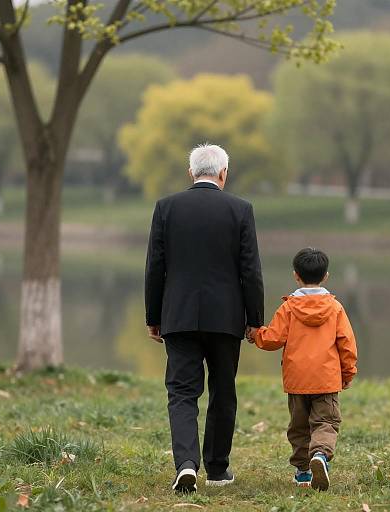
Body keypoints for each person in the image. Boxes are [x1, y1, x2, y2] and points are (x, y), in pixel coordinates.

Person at [145, 143, 264, 493]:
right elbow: (250, 270)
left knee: (182, 393)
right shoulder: (240, 209)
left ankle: (185, 464)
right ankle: (216, 469)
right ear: (223, 173)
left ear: (192, 173)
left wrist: (154, 315)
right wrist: (254, 318)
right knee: (223, 392)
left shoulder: (166, 207)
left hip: (178, 315)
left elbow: (155, 267)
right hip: (226, 318)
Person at [247, 248, 357, 491]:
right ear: (326, 276)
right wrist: (347, 373)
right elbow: (347, 344)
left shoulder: (288, 308)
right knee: (326, 422)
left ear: (296, 276)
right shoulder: (336, 308)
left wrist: (256, 334)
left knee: (299, 426)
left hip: (297, 380)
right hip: (327, 379)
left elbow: (273, 339)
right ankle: (320, 455)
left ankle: (303, 470)